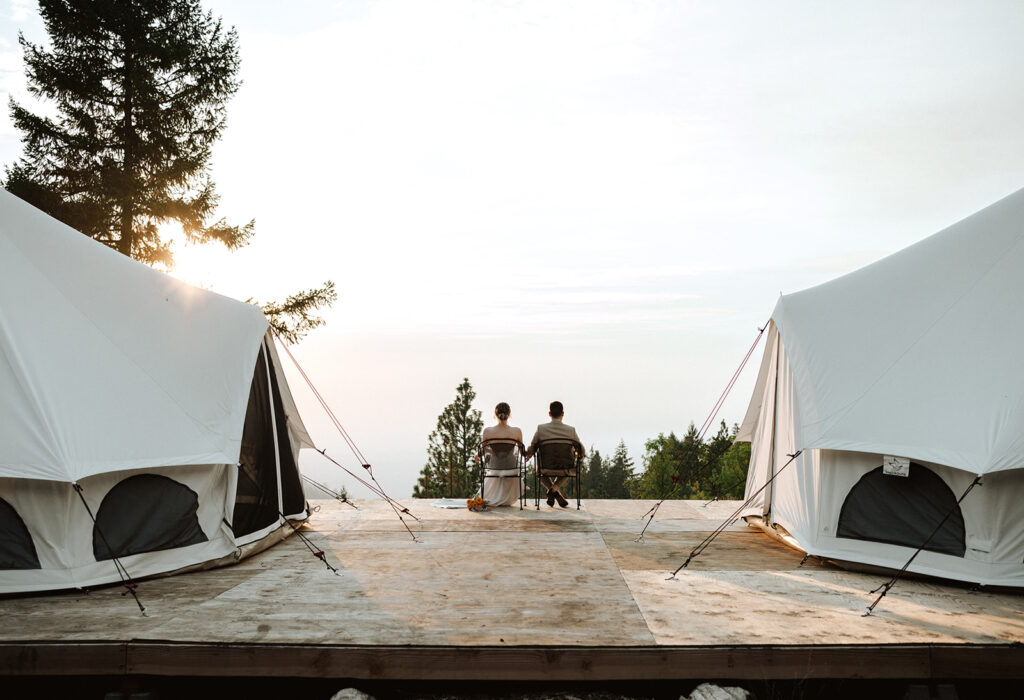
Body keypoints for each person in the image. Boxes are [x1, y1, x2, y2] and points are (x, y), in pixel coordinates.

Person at [526, 401, 584, 508]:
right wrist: (579, 454)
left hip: (546, 468)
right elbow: (581, 448)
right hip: (565, 467)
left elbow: (532, 447)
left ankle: (552, 492)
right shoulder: (571, 430)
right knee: (570, 468)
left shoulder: (541, 429)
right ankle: (555, 491)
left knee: (539, 470)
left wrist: (528, 454)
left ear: (549, 414)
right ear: (562, 414)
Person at [479, 402, 525, 507]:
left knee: (494, 468)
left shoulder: (487, 431)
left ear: (495, 415)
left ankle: (496, 497)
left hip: (494, 467)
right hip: (511, 467)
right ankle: (505, 498)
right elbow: (522, 452)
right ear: (509, 414)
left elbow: (481, 451)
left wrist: (481, 454)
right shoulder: (517, 431)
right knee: (509, 468)